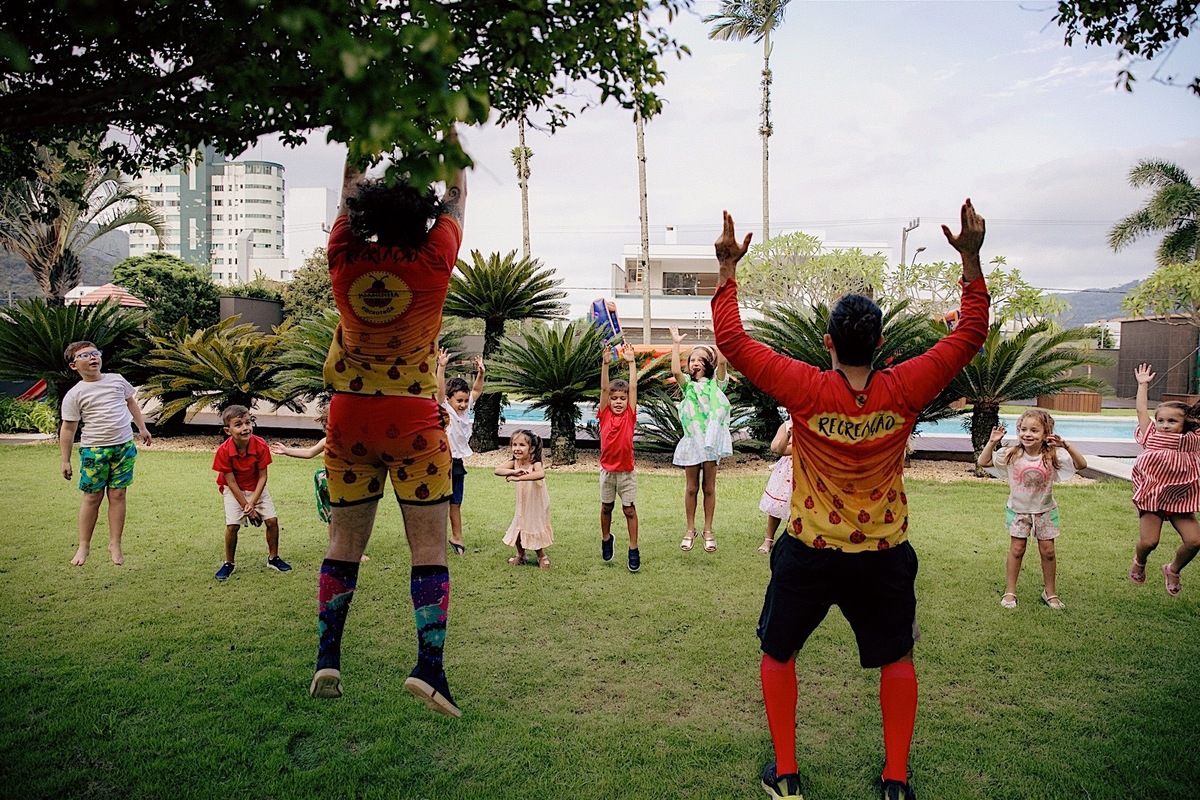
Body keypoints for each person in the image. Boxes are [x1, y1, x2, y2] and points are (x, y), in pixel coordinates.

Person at [712, 200, 989, 800]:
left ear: (828, 342)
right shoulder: (907, 385)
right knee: (897, 659)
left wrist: (729, 269)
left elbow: (732, 340)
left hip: (808, 551)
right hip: (883, 553)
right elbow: (970, 334)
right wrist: (969, 259)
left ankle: (787, 775)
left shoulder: (805, 388)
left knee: (778, 652)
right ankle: (896, 781)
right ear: (881, 342)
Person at [308, 129, 467, 719]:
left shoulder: (344, 259)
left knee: (342, 544)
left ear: (366, 216)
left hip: (349, 417)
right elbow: (457, 198)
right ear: (423, 221)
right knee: (428, 548)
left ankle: (328, 657)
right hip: (412, 419)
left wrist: (359, 135)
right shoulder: (432, 263)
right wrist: (450, 137)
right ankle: (429, 668)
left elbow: (349, 189)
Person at [977, 410, 1087, 610]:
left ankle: (1050, 593)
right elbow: (983, 462)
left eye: (1034, 430)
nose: (1027, 434)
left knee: (1048, 551)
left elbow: (1082, 464)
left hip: (1045, 511)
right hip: (1018, 511)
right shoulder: (1012, 454)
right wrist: (992, 442)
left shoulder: (1052, 456)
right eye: (1023, 429)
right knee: (1017, 549)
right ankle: (1010, 592)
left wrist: (1066, 445)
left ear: (1046, 434)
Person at [58, 341, 152, 566]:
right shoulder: (75, 394)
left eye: (95, 353)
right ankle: (84, 545)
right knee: (92, 497)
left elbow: (131, 403)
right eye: (85, 355)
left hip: (123, 448)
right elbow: (68, 429)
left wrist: (142, 427)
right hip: (94, 451)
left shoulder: (117, 380)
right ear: (73, 365)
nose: (93, 357)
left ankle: (115, 543)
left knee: (118, 495)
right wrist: (65, 460)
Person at [1128, 363, 1200, 596]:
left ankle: (1173, 569)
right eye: (1161, 421)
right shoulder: (1151, 436)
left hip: (1180, 498)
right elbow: (1141, 411)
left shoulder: (1192, 440)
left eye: (1172, 421)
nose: (1165, 426)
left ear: (1185, 424)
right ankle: (1140, 561)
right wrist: (1142, 385)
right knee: (1149, 542)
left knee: (1195, 541)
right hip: (1153, 497)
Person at [669, 326, 733, 553]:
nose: (695, 363)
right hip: (692, 442)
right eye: (692, 360)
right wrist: (676, 343)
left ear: (709, 364)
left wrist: (718, 337)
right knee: (691, 488)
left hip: (711, 442)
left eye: (700, 359)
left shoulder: (718, 384)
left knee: (709, 487)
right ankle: (690, 529)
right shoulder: (688, 386)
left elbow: (723, 362)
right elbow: (675, 371)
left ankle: (708, 530)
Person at [212, 405, 291, 581]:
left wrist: (252, 503)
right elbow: (231, 482)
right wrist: (246, 507)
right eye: (238, 424)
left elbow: (263, 477)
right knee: (232, 526)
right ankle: (229, 563)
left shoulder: (260, 445)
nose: (245, 428)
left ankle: (273, 558)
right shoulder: (223, 451)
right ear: (228, 430)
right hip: (234, 491)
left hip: (257, 488)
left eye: (248, 422)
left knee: (272, 521)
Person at [270, 424, 369, 563]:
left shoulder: (356, 440)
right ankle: (336, 549)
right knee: (334, 517)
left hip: (351, 481)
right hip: (331, 481)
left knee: (354, 517)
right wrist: (286, 451)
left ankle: (357, 552)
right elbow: (309, 453)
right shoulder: (327, 441)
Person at [436, 348, 485, 555]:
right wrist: (441, 367)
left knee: (456, 503)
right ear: (449, 399)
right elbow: (439, 391)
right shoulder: (445, 407)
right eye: (460, 401)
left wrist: (481, 373)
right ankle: (434, 540)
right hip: (441, 463)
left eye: (465, 401)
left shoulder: (466, 409)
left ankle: (457, 537)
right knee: (438, 503)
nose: (464, 404)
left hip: (457, 463)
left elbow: (477, 391)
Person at [599, 343, 640, 572]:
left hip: (626, 472)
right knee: (606, 507)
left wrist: (631, 362)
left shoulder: (630, 415)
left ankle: (633, 548)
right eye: (614, 398)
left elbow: (633, 387)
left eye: (622, 398)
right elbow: (604, 389)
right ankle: (606, 538)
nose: (617, 402)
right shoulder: (604, 414)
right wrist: (605, 364)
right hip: (607, 472)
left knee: (629, 510)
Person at [495, 430, 553, 569]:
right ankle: (521, 554)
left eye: (522, 445)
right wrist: (513, 471)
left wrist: (519, 478)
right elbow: (497, 470)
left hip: (536, 504)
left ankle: (541, 556)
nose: (517, 448)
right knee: (518, 526)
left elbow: (540, 474)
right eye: (514, 444)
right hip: (522, 503)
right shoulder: (515, 463)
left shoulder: (535, 463)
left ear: (531, 448)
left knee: (533, 526)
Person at [758, 419, 794, 554]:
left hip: (806, 470)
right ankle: (769, 539)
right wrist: (788, 437)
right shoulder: (787, 425)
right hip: (786, 472)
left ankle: (793, 539)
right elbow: (776, 447)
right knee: (777, 505)